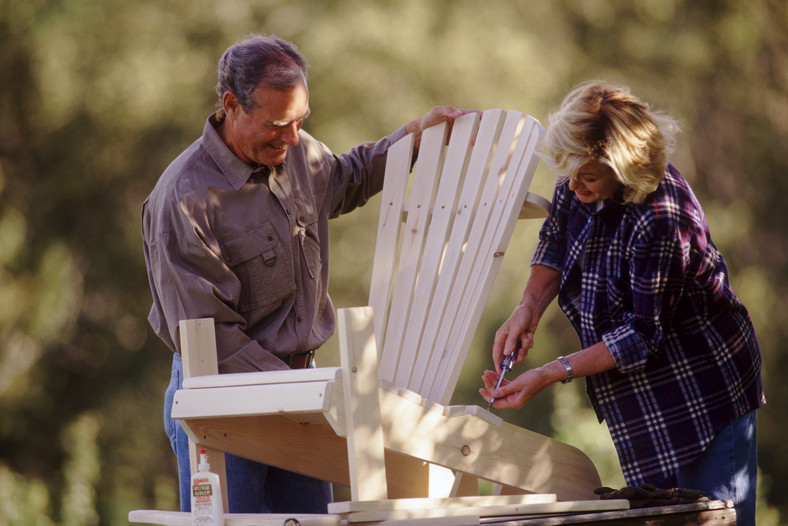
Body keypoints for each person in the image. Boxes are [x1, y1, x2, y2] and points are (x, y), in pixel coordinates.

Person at [142, 33, 474, 514]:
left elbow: (348, 177)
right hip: (223, 405)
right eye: (278, 124)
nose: (292, 138)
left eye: (301, 121)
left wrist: (414, 138)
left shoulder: (294, 150)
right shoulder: (184, 198)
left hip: (298, 398)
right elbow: (211, 339)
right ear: (231, 105)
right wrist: (312, 399)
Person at [480, 81, 764, 525]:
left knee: (712, 517)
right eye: (569, 173)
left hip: (702, 387)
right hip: (640, 395)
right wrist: (528, 309)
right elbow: (554, 244)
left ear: (624, 166)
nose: (572, 185)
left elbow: (639, 336)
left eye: (588, 176)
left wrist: (552, 371)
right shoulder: (579, 176)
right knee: (659, 516)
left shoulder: (662, 216)